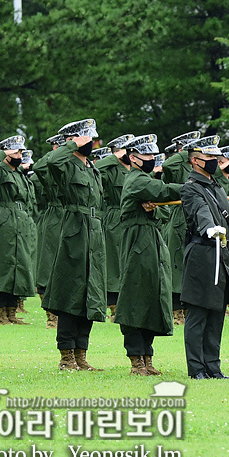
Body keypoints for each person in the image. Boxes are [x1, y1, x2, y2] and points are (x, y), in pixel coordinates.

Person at [36, 119, 107, 372]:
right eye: (86, 139)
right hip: (74, 232)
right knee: (70, 294)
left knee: (90, 295)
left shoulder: (91, 167)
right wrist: (69, 145)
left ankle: (81, 354)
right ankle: (66, 356)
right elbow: (46, 164)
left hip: (94, 232)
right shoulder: (65, 164)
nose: (91, 143)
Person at [115, 134, 179, 376]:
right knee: (135, 297)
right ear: (133, 158)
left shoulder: (144, 181)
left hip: (151, 240)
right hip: (137, 242)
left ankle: (147, 357)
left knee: (152, 296)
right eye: (147, 155)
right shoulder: (136, 180)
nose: (152, 159)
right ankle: (135, 360)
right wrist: (195, 188)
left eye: (154, 155)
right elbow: (164, 192)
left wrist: (153, 209)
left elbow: (162, 213)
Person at [181, 135, 229, 379]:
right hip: (203, 254)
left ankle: (213, 367)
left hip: (221, 253)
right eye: (209, 158)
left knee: (216, 313)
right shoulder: (191, 187)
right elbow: (200, 210)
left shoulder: (215, 185)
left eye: (216, 157)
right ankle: (197, 369)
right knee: (198, 313)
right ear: (195, 161)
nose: (215, 161)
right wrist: (208, 227)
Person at [0, 135, 36, 326]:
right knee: (1, 266)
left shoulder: (18, 173)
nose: (19, 155)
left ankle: (12, 311)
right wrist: (2, 153)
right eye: (16, 151)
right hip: (3, 219)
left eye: (20, 151)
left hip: (20, 221)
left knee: (17, 266)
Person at [162, 131, 202, 325]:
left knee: (191, 265)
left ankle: (187, 307)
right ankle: (176, 309)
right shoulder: (177, 166)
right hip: (179, 216)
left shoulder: (196, 166)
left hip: (196, 217)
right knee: (177, 265)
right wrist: (183, 151)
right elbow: (167, 165)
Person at [97, 134, 135, 319]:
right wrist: (114, 156)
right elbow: (96, 168)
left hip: (133, 219)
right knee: (114, 264)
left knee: (129, 261)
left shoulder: (134, 168)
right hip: (114, 217)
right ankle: (113, 305)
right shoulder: (111, 168)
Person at [34, 134, 66, 328]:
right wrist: (56, 153)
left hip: (73, 217)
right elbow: (38, 168)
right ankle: (51, 316)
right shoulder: (50, 168)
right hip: (55, 217)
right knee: (49, 265)